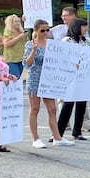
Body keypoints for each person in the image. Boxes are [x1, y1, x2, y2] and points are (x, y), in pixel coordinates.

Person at [24, 20, 74, 148]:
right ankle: (36, 138)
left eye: (47, 30)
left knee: (52, 108)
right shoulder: (30, 44)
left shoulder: (52, 44)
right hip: (35, 78)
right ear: (36, 31)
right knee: (34, 108)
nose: (45, 33)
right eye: (42, 30)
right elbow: (26, 64)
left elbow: (61, 60)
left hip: (49, 79)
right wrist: (33, 51)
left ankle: (57, 137)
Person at [56, 18, 90, 141]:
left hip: (83, 76)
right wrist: (71, 64)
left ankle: (77, 131)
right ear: (77, 28)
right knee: (68, 104)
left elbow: (89, 56)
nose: (86, 29)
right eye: (83, 27)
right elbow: (62, 57)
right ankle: (58, 132)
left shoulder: (86, 42)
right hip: (70, 76)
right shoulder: (67, 41)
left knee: (81, 104)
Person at [0, 31, 17, 154]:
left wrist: (9, 76)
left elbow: (2, 72)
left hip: (2, 92)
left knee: (1, 119)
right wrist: (0, 78)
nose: (1, 43)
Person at [2, 14, 27, 79]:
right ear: (11, 23)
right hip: (11, 59)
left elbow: (27, 42)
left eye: (18, 21)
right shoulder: (8, 32)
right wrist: (19, 37)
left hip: (21, 58)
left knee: (17, 77)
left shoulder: (21, 31)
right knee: (15, 77)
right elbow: (6, 44)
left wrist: (25, 22)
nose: (18, 23)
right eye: (15, 21)